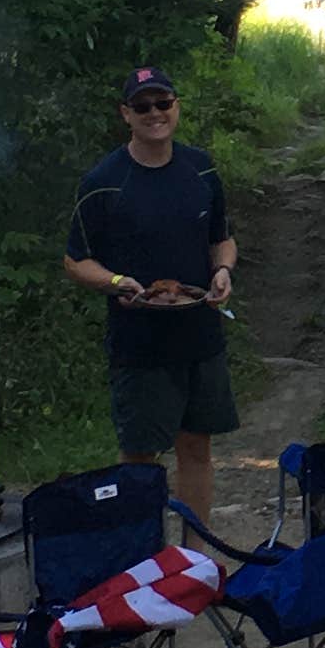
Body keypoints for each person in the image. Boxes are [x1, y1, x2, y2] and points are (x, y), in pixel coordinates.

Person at [63, 65, 237, 521]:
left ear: (176, 107)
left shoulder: (201, 168)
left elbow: (223, 237)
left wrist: (222, 271)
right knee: (141, 459)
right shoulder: (103, 180)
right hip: (139, 341)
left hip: (200, 333)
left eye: (163, 103)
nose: (154, 113)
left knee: (197, 448)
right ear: (126, 114)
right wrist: (117, 282)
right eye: (142, 106)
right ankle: (141, 562)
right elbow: (75, 259)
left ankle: (197, 557)